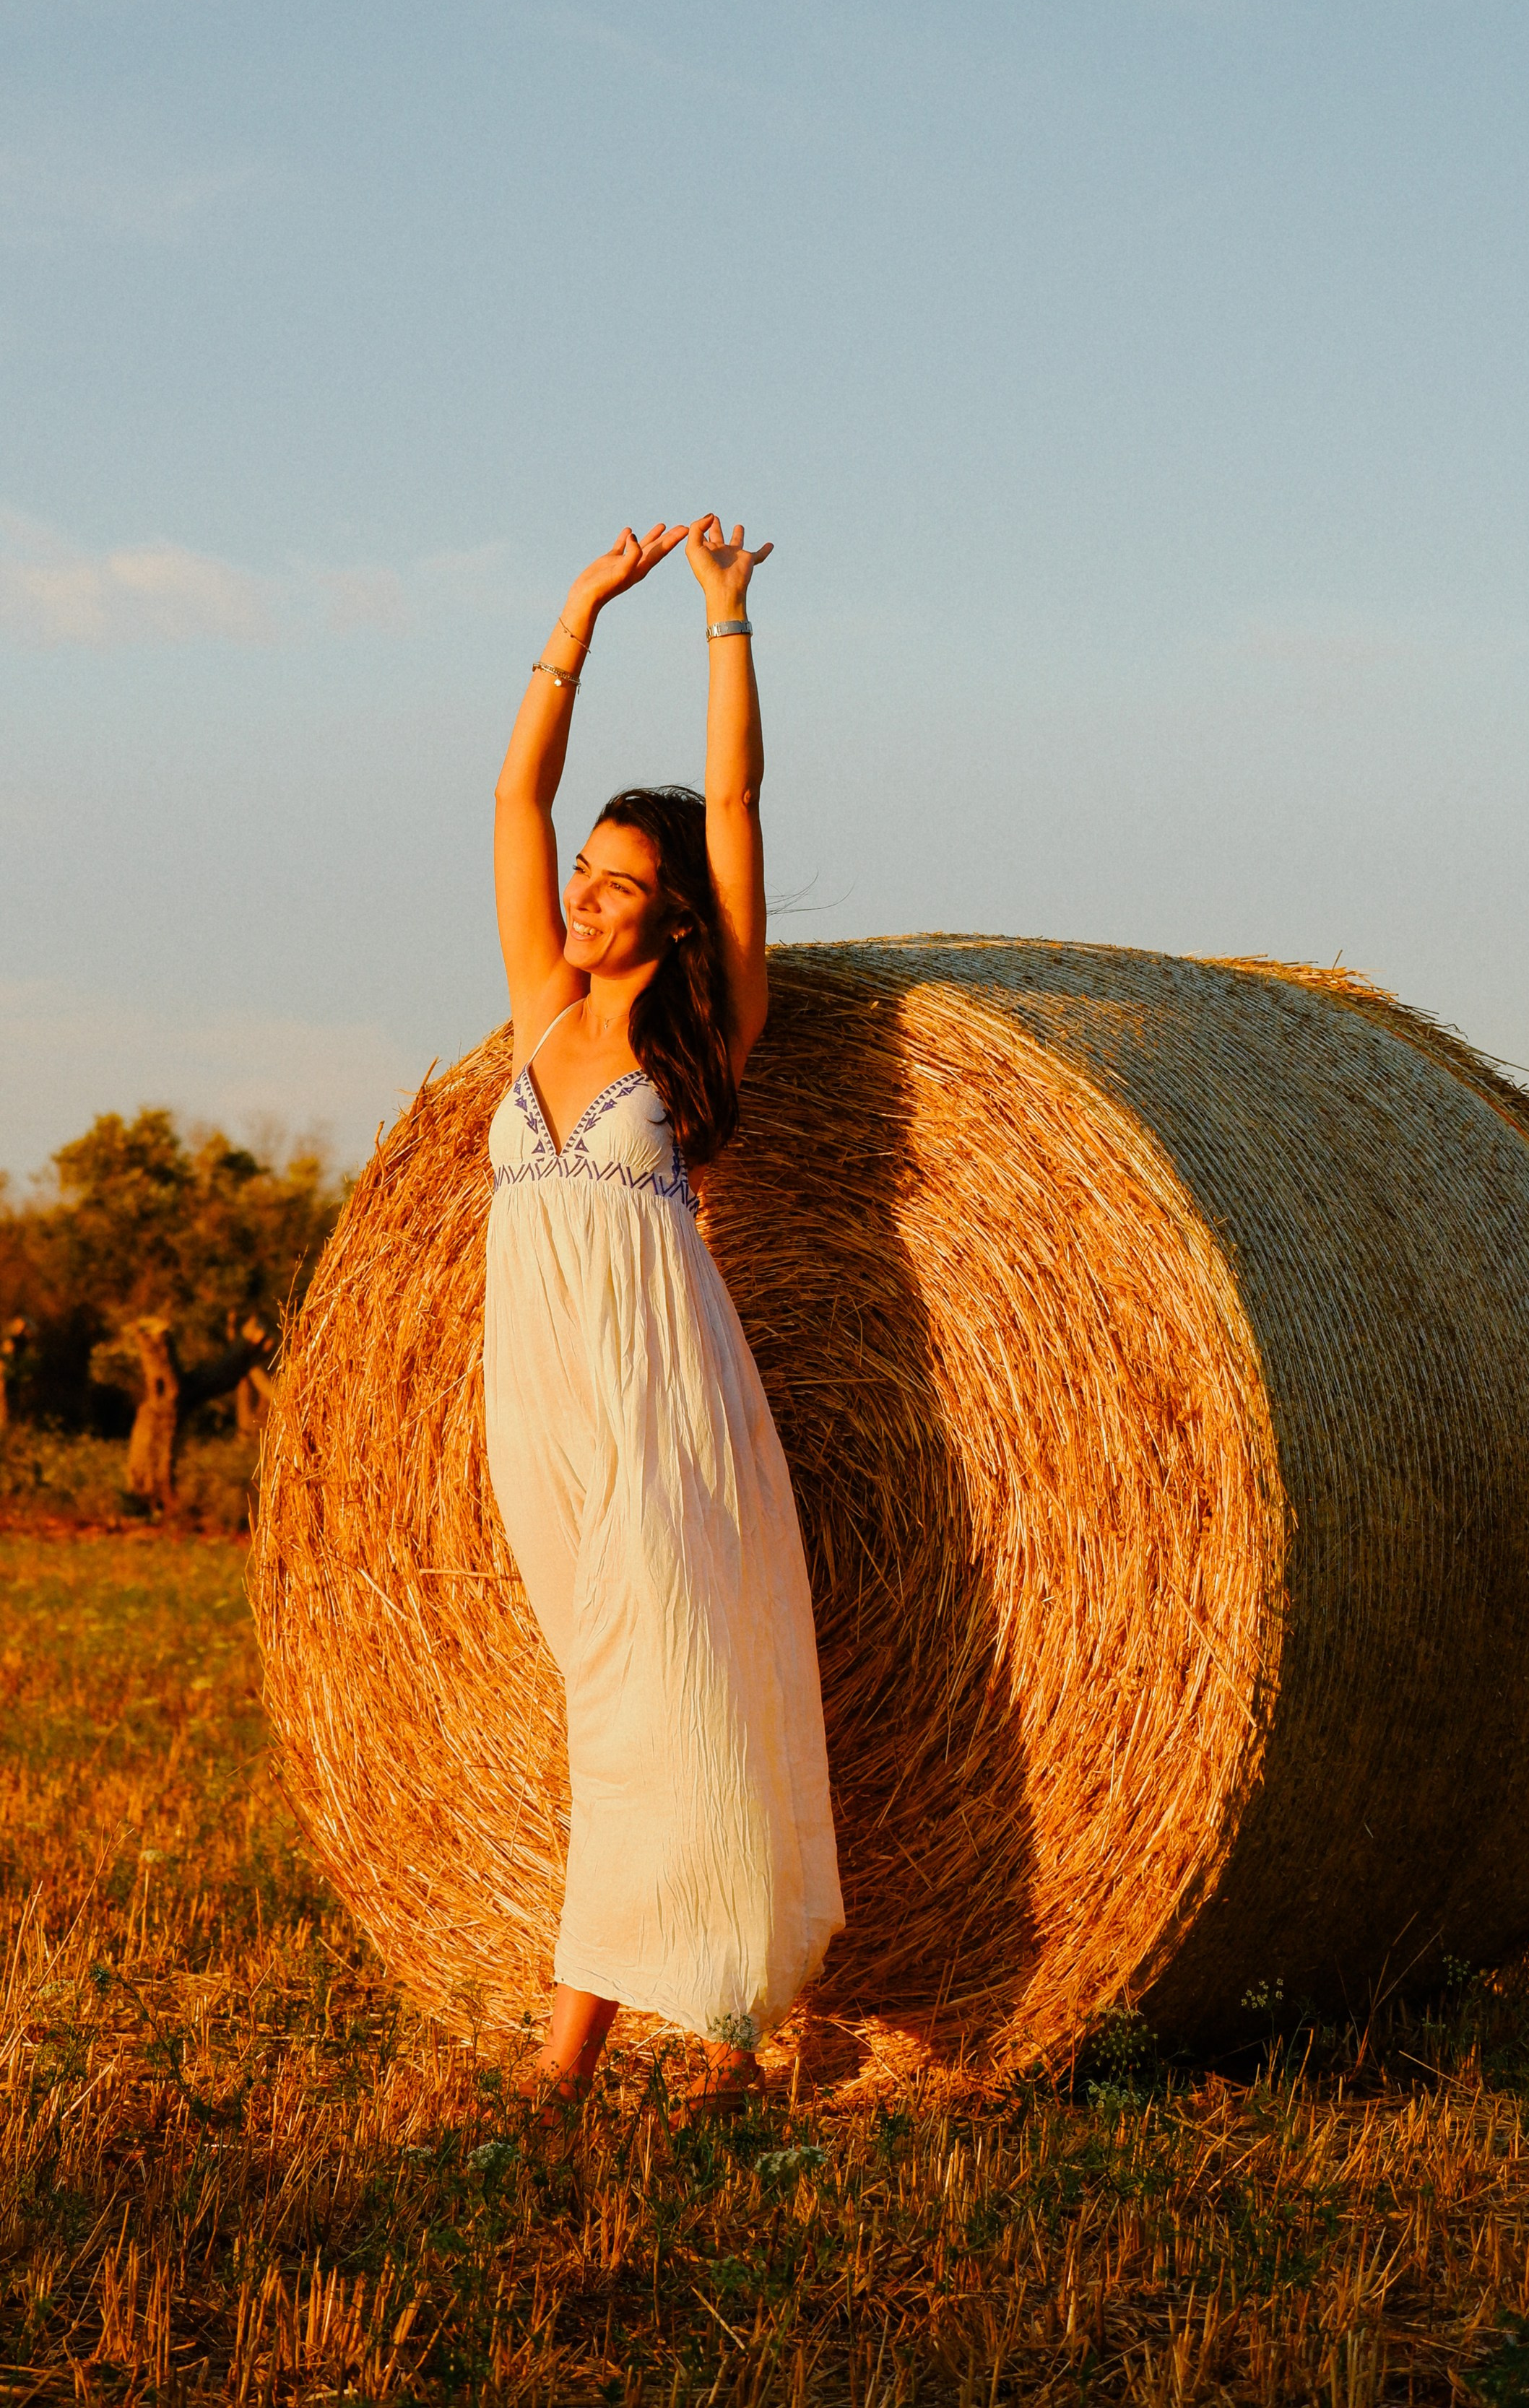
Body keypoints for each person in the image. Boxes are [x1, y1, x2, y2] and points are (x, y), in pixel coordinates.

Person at [485, 513, 844, 2112]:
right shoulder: (539, 1006)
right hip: (534, 1394)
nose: (583, 893)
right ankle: (730, 2012)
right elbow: (512, 796)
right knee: (611, 1693)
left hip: (658, 1399)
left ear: (675, 914)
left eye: (622, 883)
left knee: (654, 1697)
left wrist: (719, 621)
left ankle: (564, 2066)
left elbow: (744, 804)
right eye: (584, 874)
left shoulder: (709, 1022)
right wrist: (575, 611)